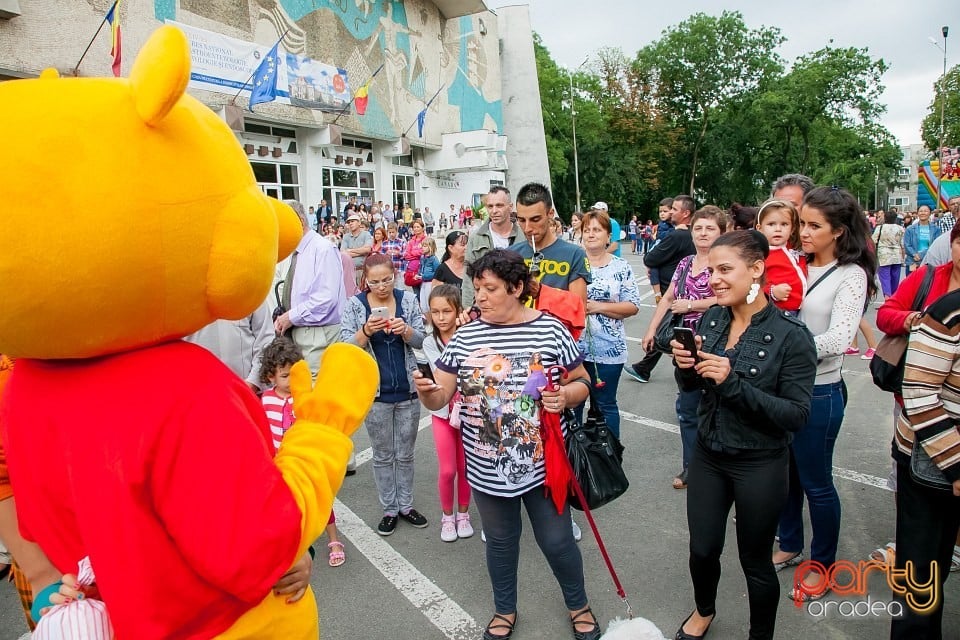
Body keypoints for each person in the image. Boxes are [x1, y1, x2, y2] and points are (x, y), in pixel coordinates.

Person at [415, 249, 601, 640]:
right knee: (500, 543)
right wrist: (428, 392)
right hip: (486, 465)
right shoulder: (466, 335)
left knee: (558, 540)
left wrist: (566, 396)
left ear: (517, 288)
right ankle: (504, 610)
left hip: (543, 464)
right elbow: (441, 398)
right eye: (476, 288)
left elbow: (582, 380)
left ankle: (578, 605)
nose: (479, 297)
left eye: (490, 289)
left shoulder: (550, 329)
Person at [671, 230, 817, 640]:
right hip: (709, 455)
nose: (713, 278)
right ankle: (704, 610)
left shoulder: (792, 336)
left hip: (760, 461)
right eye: (711, 269)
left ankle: (760, 634)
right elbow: (693, 389)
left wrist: (732, 382)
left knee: (755, 559)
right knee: (702, 548)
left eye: (724, 269)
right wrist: (687, 366)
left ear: (756, 270)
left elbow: (796, 415)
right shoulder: (714, 317)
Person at [773, 186, 876, 601]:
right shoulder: (793, 263)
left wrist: (782, 352)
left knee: (816, 483)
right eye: (802, 222)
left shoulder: (851, 275)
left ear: (838, 231)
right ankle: (790, 543)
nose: (804, 232)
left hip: (819, 392)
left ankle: (824, 565)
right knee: (785, 478)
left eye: (814, 226)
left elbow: (838, 337)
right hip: (780, 392)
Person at [890, 263, 960, 639]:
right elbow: (918, 393)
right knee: (921, 573)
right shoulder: (948, 312)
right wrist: (957, 466)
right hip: (931, 459)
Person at [341, 254, 428, 536]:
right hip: (375, 392)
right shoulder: (356, 306)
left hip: (408, 388)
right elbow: (345, 347)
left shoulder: (408, 300)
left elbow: (424, 340)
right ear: (365, 280)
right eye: (375, 282)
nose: (381, 287)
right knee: (382, 455)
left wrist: (406, 330)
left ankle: (406, 505)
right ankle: (389, 508)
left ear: (395, 276)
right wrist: (366, 330)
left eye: (387, 280)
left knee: (405, 454)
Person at [643, 206, 723, 489]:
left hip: (717, 342)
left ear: (722, 232)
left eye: (710, 228)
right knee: (688, 408)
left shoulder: (726, 264)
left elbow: (731, 297)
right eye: (699, 228)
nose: (703, 233)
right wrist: (651, 329)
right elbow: (667, 299)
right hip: (684, 344)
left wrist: (693, 305)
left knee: (718, 409)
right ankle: (692, 466)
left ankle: (721, 471)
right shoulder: (686, 263)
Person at [259, 338, 346, 568]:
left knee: (321, 501)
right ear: (271, 376)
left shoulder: (304, 397)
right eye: (285, 376)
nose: (290, 381)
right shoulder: (266, 399)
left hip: (305, 460)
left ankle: (334, 541)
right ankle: (293, 546)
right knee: (284, 506)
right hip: (279, 462)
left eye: (294, 375)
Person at [573, 209, 641, 437]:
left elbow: (632, 306)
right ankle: (575, 460)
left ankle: (609, 459)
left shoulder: (621, 267)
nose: (591, 234)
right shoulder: (573, 263)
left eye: (597, 230)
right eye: (586, 230)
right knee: (574, 407)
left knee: (605, 405)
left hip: (609, 350)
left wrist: (598, 307)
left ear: (608, 236)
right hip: (574, 350)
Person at [421, 285, 474, 542]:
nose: (441, 318)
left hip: (469, 412)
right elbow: (440, 374)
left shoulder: (469, 335)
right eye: (435, 312)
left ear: (458, 312)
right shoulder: (429, 342)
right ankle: (447, 517)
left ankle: (464, 514)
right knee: (447, 470)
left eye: (446, 311)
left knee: (466, 468)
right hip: (443, 413)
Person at [624, 195, 696, 384]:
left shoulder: (677, 235)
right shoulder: (689, 235)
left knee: (666, 328)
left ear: (686, 213)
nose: (671, 212)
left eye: (675, 209)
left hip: (671, 289)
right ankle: (644, 367)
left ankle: (647, 368)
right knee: (674, 327)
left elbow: (650, 258)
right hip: (684, 289)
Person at [272, 200, 346, 380]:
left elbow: (325, 299)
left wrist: (290, 316)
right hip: (300, 332)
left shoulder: (322, 249)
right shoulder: (296, 251)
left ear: (299, 221)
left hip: (317, 335)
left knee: (316, 392)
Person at [509, 183, 591, 304]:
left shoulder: (574, 254)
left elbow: (579, 308)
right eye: (521, 220)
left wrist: (542, 292)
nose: (527, 228)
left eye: (535, 219)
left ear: (550, 214)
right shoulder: (511, 254)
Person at [462, 186, 523, 307]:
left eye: (499, 205)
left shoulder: (524, 236)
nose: (494, 211)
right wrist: (469, 309)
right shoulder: (476, 237)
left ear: (510, 207)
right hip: (486, 307)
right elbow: (468, 276)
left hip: (518, 305)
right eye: (490, 206)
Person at [755, 199, 806, 312]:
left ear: (792, 228)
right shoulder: (760, 254)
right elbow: (752, 283)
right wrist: (772, 291)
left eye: (784, 224)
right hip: (779, 310)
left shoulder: (796, 247)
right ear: (760, 228)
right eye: (771, 224)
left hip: (803, 310)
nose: (778, 229)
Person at [873, 209, 905, 298]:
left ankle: (887, 297)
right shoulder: (900, 228)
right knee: (895, 278)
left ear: (885, 218)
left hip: (884, 256)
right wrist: (903, 257)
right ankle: (894, 297)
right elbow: (903, 244)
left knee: (885, 278)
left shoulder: (880, 228)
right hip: (897, 255)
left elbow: (874, 241)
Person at [903, 204, 941, 274]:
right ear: (917, 213)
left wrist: (921, 255)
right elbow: (906, 244)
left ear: (930, 213)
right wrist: (914, 254)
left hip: (929, 261)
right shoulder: (910, 229)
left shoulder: (936, 229)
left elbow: (936, 245)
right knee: (912, 283)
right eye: (921, 211)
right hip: (913, 261)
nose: (923, 213)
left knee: (928, 284)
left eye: (925, 211)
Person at [341, 212, 374, 287]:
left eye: (352, 221)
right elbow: (343, 253)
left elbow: (368, 250)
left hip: (361, 270)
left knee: (363, 293)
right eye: (349, 222)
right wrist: (361, 252)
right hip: (349, 271)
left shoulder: (366, 234)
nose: (350, 224)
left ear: (359, 223)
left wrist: (350, 251)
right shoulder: (346, 236)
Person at [402, 220, 428, 299]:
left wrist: (412, 253)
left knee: (424, 294)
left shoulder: (426, 240)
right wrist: (416, 254)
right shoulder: (411, 241)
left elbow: (424, 252)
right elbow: (406, 255)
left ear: (422, 228)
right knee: (416, 294)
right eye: (414, 227)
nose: (416, 229)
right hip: (411, 270)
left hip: (422, 270)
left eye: (418, 227)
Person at [418, 236, 440, 313]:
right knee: (423, 305)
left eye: (425, 246)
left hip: (430, 283)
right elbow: (421, 267)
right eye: (422, 246)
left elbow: (437, 273)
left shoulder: (434, 259)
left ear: (430, 247)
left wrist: (424, 276)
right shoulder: (422, 258)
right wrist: (419, 274)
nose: (422, 248)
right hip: (423, 282)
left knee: (429, 302)